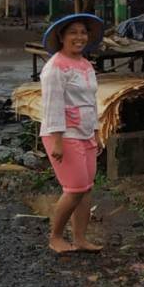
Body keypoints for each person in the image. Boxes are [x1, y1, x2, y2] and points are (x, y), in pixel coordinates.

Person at [39, 13, 105, 254]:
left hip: (85, 131)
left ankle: (80, 238)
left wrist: (96, 131)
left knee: (86, 187)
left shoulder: (85, 64)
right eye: (73, 32)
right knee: (75, 188)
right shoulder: (55, 68)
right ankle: (55, 236)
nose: (80, 37)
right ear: (61, 37)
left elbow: (91, 100)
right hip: (63, 134)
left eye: (83, 32)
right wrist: (56, 140)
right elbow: (52, 106)